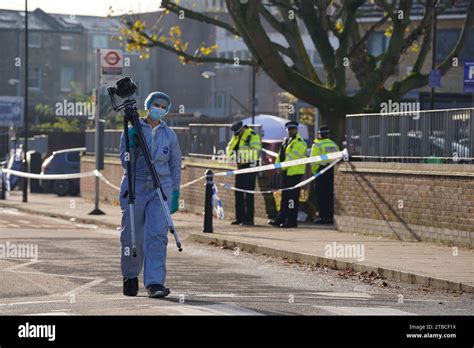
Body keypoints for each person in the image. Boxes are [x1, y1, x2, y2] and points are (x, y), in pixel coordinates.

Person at [119, 91, 182, 298]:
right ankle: (130, 276)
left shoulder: (169, 135)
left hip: (160, 189)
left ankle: (155, 283)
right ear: (148, 105)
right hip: (135, 187)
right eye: (157, 104)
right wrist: (133, 143)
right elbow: (124, 160)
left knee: (157, 235)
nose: (160, 109)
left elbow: (175, 165)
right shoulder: (132, 129)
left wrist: (174, 192)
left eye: (164, 106)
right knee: (132, 236)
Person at [268, 121, 307, 228]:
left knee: (292, 198)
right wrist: (277, 167)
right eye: (289, 129)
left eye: (292, 129)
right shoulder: (286, 141)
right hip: (286, 173)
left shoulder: (299, 142)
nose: (290, 131)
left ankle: (291, 221)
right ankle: (280, 219)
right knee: (285, 197)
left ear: (296, 130)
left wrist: (281, 167)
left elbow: (291, 159)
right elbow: (280, 156)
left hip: (294, 174)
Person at [225, 121, 262, 226]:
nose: (236, 135)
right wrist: (233, 158)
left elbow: (256, 151)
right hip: (240, 166)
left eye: (238, 132)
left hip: (250, 166)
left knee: (249, 193)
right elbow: (229, 149)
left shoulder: (251, 135)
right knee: (238, 192)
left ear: (242, 129)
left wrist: (242, 158)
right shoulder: (236, 136)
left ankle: (249, 219)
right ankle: (239, 218)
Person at [310, 125, 339, 225]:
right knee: (330, 195)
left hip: (321, 172)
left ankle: (323, 217)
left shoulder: (317, 145)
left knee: (321, 195)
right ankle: (330, 216)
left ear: (320, 134)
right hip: (331, 172)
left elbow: (313, 161)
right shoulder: (334, 145)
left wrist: (315, 173)